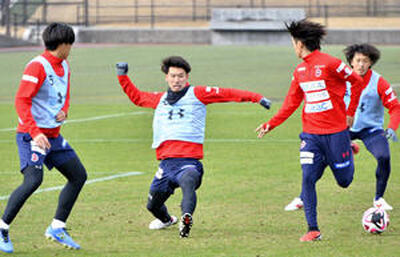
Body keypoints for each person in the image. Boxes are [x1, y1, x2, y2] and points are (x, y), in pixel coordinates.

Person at [116, 56, 271, 238]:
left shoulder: (198, 93)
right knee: (152, 205)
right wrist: (122, 76)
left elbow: (228, 93)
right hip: (166, 166)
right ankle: (167, 220)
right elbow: (136, 97)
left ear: (187, 77)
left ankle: (186, 219)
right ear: (166, 77)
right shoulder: (159, 99)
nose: (176, 80)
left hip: (188, 162)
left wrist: (257, 98)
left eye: (180, 76)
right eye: (173, 76)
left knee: (188, 181)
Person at [255, 19, 364, 242]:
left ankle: (346, 148)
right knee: (307, 178)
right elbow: (290, 103)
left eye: (293, 43)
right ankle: (313, 229)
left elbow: (357, 82)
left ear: (300, 43)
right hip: (311, 135)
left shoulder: (331, 64)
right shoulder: (300, 71)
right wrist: (270, 124)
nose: (293, 47)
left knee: (344, 181)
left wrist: (350, 112)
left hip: (336, 133)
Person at [0, 23, 87, 253]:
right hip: (32, 137)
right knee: (33, 181)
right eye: (70, 44)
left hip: (54, 137)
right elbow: (21, 101)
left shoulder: (65, 66)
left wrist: (65, 110)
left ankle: (57, 228)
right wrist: (35, 132)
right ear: (64, 44)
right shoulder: (37, 66)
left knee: (78, 175)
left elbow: (65, 94)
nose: (71, 48)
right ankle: (2, 227)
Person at [285, 43, 400, 212]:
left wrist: (391, 127)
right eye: (358, 60)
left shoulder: (379, 82)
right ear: (350, 62)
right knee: (321, 160)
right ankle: (302, 197)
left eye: (365, 61)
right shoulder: (341, 77)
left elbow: (395, 107)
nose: (361, 64)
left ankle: (379, 198)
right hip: (342, 128)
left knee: (383, 156)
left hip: (370, 130)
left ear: (371, 63)